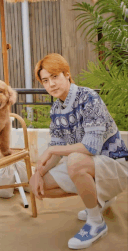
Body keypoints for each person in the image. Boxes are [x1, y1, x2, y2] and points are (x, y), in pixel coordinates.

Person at [29, 53, 128, 249]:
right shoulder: (56, 109)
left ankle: (95, 223)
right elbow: (55, 151)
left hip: (116, 165)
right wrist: (38, 173)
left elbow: (91, 147)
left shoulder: (89, 97)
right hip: (92, 166)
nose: (51, 85)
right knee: (41, 186)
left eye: (55, 77)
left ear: (67, 74)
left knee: (75, 159)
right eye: (46, 81)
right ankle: (100, 199)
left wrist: (53, 150)